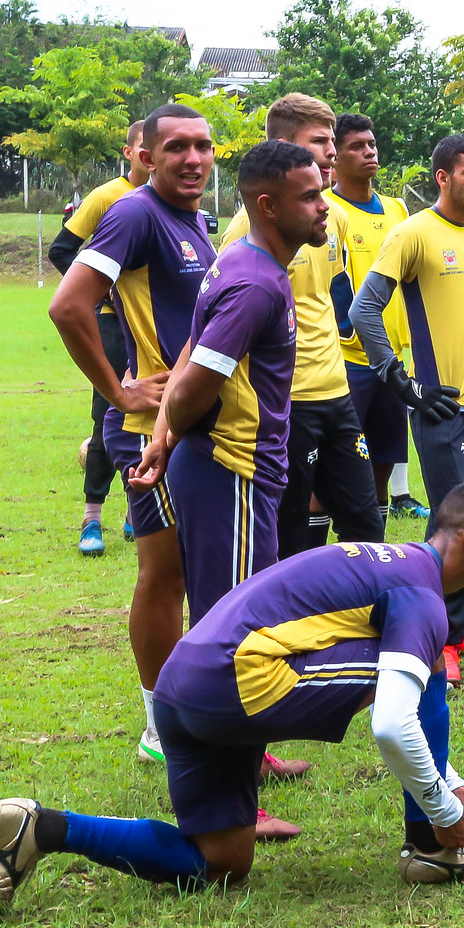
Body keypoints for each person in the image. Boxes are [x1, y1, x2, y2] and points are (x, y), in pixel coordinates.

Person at [0, 484, 464, 912]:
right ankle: (433, 847)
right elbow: (391, 723)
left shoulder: (392, 561)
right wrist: (445, 810)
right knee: (418, 669)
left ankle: (42, 828)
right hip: (233, 681)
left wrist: (449, 779)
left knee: (222, 865)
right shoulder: (421, 593)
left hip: (181, 688)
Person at [129, 140, 331, 838]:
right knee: (233, 634)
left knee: (239, 621)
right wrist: (168, 432)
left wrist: (160, 437)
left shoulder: (249, 260)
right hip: (230, 472)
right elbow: (195, 378)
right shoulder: (257, 283)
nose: (323, 206)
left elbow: (187, 347)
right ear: (268, 204)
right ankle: (229, 799)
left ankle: (252, 755)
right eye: (310, 196)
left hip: (238, 472)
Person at [47, 103, 214, 769]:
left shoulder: (196, 222)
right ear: (144, 156)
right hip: (148, 430)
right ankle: (160, 725)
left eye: (203, 145)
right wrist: (119, 390)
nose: (193, 158)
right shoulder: (135, 213)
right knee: (164, 575)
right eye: (175, 146)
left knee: (203, 577)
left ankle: (208, 720)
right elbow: (68, 304)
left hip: (192, 428)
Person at [349, 134, 464, 668]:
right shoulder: (413, 234)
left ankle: (457, 632)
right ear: (443, 178)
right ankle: (435, 642)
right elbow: (363, 310)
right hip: (441, 408)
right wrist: (403, 382)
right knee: (452, 531)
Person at [218, 95, 384, 563]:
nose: (332, 151)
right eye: (319, 141)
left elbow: (333, 300)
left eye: (333, 140)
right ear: (285, 147)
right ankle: (287, 629)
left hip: (337, 395)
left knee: (368, 525)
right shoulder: (245, 231)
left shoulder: (336, 218)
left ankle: (367, 629)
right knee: (288, 533)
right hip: (283, 403)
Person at [48, 120, 150, 557]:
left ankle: (136, 510)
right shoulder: (109, 197)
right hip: (113, 323)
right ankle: (92, 520)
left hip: (158, 326)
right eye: (147, 147)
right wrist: (103, 288)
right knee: (109, 412)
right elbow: (61, 249)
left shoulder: (178, 202)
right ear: (129, 153)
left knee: (155, 412)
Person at [327, 113, 417, 527]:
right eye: (356, 146)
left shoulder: (399, 209)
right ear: (335, 156)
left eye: (372, 144)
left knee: (383, 456)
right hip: (346, 358)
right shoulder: (327, 210)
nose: (369, 152)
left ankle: (373, 543)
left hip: (392, 360)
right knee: (337, 463)